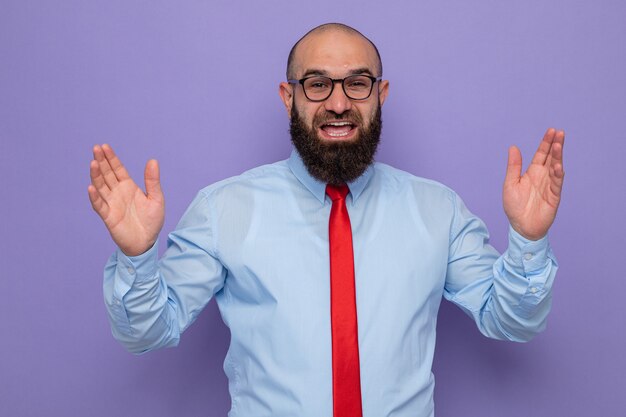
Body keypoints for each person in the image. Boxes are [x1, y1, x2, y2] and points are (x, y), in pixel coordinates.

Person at [88, 23, 565, 417]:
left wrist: (527, 240)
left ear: (381, 94)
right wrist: (137, 258)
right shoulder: (223, 210)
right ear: (287, 95)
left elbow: (511, 322)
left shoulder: (438, 210)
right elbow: (146, 333)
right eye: (317, 84)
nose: (338, 104)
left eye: (357, 83)